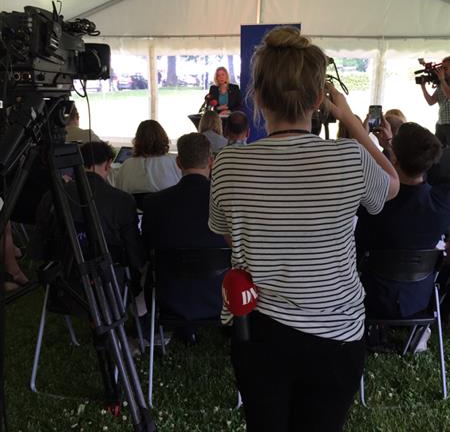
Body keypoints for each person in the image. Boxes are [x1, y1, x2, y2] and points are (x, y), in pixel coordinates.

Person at [209, 26, 399, 432]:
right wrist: (348, 117)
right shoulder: (349, 158)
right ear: (318, 100)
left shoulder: (227, 165)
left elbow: (229, 235)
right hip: (338, 332)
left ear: (257, 97)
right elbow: (393, 183)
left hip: (258, 331)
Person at [356, 123, 449, 319]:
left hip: (371, 296)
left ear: (395, 158)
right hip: (419, 297)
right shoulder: (442, 203)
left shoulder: (374, 204)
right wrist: (391, 147)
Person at [141, 133, 227, 331]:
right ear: (211, 161)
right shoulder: (227, 203)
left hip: (169, 298)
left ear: (178, 162)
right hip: (222, 297)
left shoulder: (154, 204)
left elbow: (146, 250)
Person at [35, 142, 144, 277]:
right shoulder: (123, 200)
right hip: (108, 274)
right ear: (108, 164)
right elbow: (132, 247)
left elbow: (41, 235)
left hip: (62, 269)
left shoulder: (54, 194)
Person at [115, 120, 180, 194]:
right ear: (163, 137)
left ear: (137, 140)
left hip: (136, 205)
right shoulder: (175, 162)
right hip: (168, 204)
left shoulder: (127, 165)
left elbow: (119, 192)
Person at [420, 56, 450, 146]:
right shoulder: (441, 84)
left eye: (445, 68)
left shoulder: (442, 82)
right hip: (441, 124)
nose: (442, 71)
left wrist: (442, 79)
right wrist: (423, 87)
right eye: (441, 68)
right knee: (438, 153)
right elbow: (431, 101)